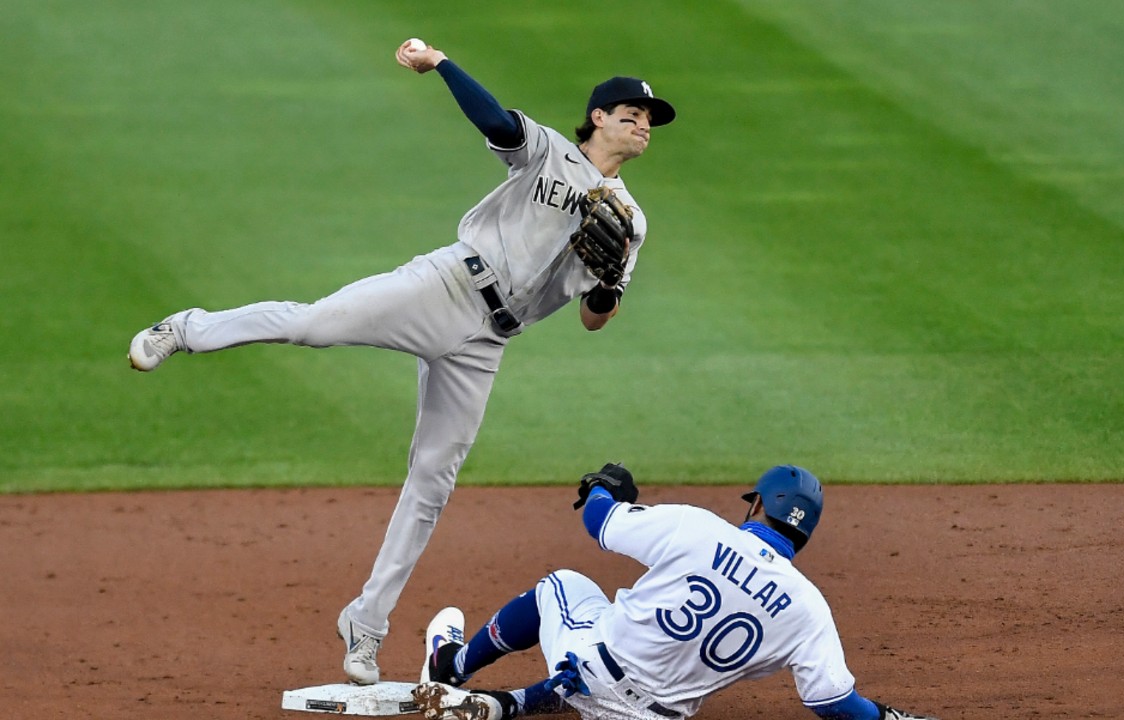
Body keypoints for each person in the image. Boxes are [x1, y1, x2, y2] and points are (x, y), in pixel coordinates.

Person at [126, 37, 676, 685]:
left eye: (649, 118)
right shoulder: (550, 150)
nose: (643, 123)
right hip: (448, 286)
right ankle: (189, 329)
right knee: (315, 324)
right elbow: (496, 120)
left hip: (487, 343)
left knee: (432, 481)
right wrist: (441, 63)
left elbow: (593, 318)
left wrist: (608, 284)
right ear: (599, 118)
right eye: (630, 112)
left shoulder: (631, 220)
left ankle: (366, 623)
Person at [411, 463, 941, 720]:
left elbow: (601, 523)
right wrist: (888, 718)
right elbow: (833, 702)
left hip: (599, 673)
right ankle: (524, 701)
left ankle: (450, 667)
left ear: (759, 507)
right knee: (625, 661)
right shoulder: (809, 609)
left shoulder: (699, 527)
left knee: (562, 586)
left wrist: (603, 486)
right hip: (658, 718)